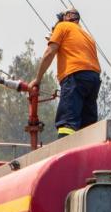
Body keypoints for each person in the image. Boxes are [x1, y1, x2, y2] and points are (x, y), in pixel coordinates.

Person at [33, 8, 102, 136]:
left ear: (67, 17)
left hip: (75, 76)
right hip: (94, 79)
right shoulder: (86, 35)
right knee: (87, 126)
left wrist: (38, 79)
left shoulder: (62, 26)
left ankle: (66, 152)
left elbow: (50, 52)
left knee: (67, 122)